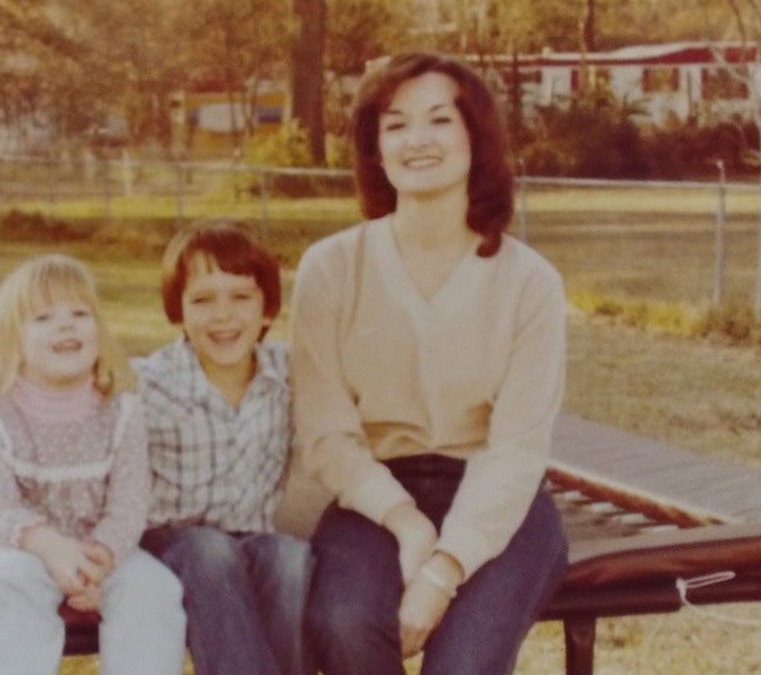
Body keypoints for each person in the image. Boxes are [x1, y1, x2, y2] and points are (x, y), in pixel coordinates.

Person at [289, 52, 570, 675]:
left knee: (463, 665)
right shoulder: (331, 269)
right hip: (376, 498)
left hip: (502, 504)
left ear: (476, 137)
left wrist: (442, 570)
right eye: (395, 124)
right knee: (344, 624)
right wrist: (409, 526)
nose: (417, 140)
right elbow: (327, 432)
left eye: (439, 120)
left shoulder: (530, 282)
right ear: (375, 149)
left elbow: (516, 451)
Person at [0, 254, 186, 675]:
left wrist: (97, 560)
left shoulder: (120, 407)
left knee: (154, 589)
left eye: (80, 313)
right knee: (4, 584)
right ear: (14, 339)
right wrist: (50, 548)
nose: (66, 324)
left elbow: (130, 501)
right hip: (29, 548)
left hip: (106, 550)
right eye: (43, 317)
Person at [134, 220, 314, 675]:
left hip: (252, 539)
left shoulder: (289, 376)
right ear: (177, 313)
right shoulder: (151, 385)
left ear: (268, 310)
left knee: (291, 558)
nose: (222, 316)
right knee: (209, 551)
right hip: (170, 543)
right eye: (202, 300)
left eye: (240, 298)